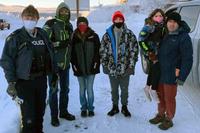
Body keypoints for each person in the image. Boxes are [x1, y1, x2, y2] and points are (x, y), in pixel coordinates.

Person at [0, 5, 54, 133]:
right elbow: (7, 60)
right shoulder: (15, 37)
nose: (30, 19)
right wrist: (11, 82)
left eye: (32, 17)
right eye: (27, 17)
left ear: (37, 19)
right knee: (28, 117)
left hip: (41, 81)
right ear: (22, 18)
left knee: (40, 113)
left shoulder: (42, 35)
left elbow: (50, 54)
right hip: (24, 83)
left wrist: (54, 74)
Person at [149, 12, 193, 130]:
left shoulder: (183, 37)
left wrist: (182, 77)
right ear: (167, 23)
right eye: (169, 21)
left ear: (178, 24)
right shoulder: (166, 34)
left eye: (174, 22)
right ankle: (160, 114)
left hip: (172, 74)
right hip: (161, 72)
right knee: (160, 96)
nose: (171, 24)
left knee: (169, 98)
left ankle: (169, 118)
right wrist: (154, 56)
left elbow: (188, 59)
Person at [100, 11, 139, 117]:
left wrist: (131, 66)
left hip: (125, 68)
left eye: (120, 19)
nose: (118, 21)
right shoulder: (107, 35)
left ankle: (124, 107)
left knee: (124, 89)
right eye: (116, 19)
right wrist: (104, 65)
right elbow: (102, 51)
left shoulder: (129, 34)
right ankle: (115, 107)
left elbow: (134, 51)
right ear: (113, 20)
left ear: (123, 20)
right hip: (112, 68)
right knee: (114, 90)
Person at [43, 2, 75, 127]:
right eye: (62, 11)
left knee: (65, 90)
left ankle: (63, 112)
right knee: (53, 90)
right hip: (53, 65)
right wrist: (58, 44)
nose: (64, 13)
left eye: (66, 11)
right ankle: (53, 116)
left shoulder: (70, 25)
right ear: (58, 11)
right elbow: (45, 43)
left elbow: (70, 44)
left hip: (65, 65)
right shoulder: (50, 24)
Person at [71, 17, 100, 117]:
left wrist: (95, 65)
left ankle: (91, 108)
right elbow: (72, 55)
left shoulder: (94, 36)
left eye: (84, 23)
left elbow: (97, 53)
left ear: (87, 24)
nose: (82, 25)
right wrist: (75, 67)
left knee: (89, 89)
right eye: (80, 24)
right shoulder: (74, 37)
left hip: (91, 68)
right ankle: (83, 108)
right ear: (77, 25)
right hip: (79, 69)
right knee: (82, 90)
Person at [138, 9, 166, 102]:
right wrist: (149, 52)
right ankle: (153, 90)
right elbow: (141, 41)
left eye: (160, 16)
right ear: (152, 17)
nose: (159, 17)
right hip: (152, 53)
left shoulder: (162, 25)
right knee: (157, 70)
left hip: (159, 53)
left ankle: (147, 87)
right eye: (156, 16)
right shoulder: (148, 26)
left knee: (153, 70)